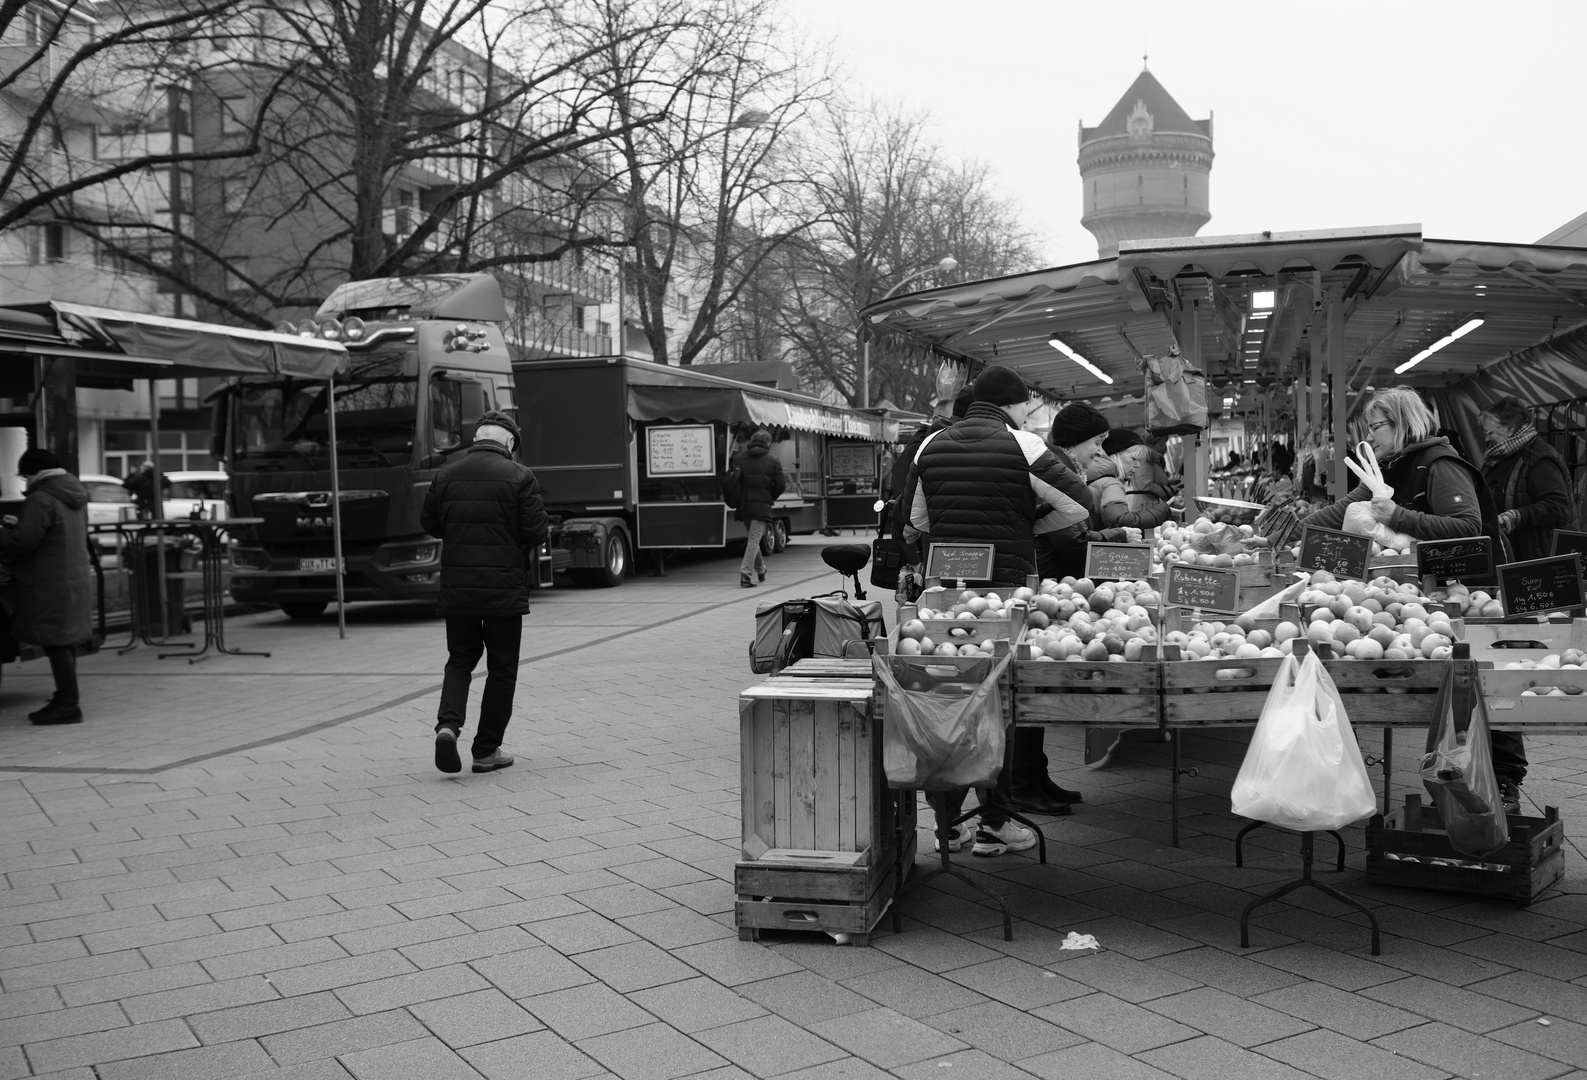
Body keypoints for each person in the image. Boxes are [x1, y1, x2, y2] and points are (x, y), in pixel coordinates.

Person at [1303, 385, 1526, 813]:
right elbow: (1338, 513)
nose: (1369, 436)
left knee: (1487, 684)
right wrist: (1298, 531)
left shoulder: (1439, 464)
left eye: (1376, 426)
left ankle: (1506, 781)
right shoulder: (1389, 468)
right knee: (1461, 687)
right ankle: (1458, 777)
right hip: (1424, 595)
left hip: (1471, 592)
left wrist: (1396, 516)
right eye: (1366, 428)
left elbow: (1467, 526)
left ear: (1404, 422)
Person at [906, 366, 1091, 853]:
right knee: (999, 707)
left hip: (945, 596)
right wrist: (1026, 522)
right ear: (1012, 405)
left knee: (945, 703)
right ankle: (995, 820)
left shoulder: (931, 446)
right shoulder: (1024, 445)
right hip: (1007, 596)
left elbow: (916, 519)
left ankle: (947, 825)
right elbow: (1079, 502)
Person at [420, 411, 549, 774]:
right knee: (501, 668)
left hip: (458, 588)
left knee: (460, 660)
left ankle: (448, 726)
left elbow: (428, 523)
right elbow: (537, 532)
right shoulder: (520, 476)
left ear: (477, 439)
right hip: (503, 590)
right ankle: (486, 750)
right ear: (509, 442)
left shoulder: (445, 474)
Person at [0, 449, 93, 725]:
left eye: (24, 475)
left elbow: (23, 542)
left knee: (56, 642)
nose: (23, 480)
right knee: (62, 641)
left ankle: (67, 704)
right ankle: (65, 698)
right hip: (69, 576)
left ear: (34, 473)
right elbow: (51, 530)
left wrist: (3, 533)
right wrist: (19, 525)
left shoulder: (42, 497)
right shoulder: (70, 492)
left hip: (49, 580)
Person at [1040, 402, 1137, 582]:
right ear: (1076, 440)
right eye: (1097, 443)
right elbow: (1074, 543)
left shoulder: (1063, 473)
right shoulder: (1058, 476)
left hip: (1061, 582)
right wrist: (1120, 535)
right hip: (1055, 583)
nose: (1101, 452)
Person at [1480, 397, 1573, 563]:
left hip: (1538, 555)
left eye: (1490, 432)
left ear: (1511, 428)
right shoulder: (1497, 456)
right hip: (1514, 550)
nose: (1487, 439)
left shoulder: (1540, 458)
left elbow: (1556, 504)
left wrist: (1516, 517)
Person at [1087, 427, 1173, 531]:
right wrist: (1162, 510)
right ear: (1115, 454)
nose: (1137, 465)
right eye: (1133, 459)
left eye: (1139, 461)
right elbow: (1120, 521)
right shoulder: (1111, 484)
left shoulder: (1098, 478)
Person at [733, 429, 785, 588]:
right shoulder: (774, 461)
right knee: (754, 540)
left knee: (752, 539)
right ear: (768, 443)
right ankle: (746, 574)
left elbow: (733, 482)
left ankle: (761, 569)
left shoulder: (739, 459)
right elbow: (781, 485)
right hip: (762, 506)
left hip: (744, 505)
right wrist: (770, 497)